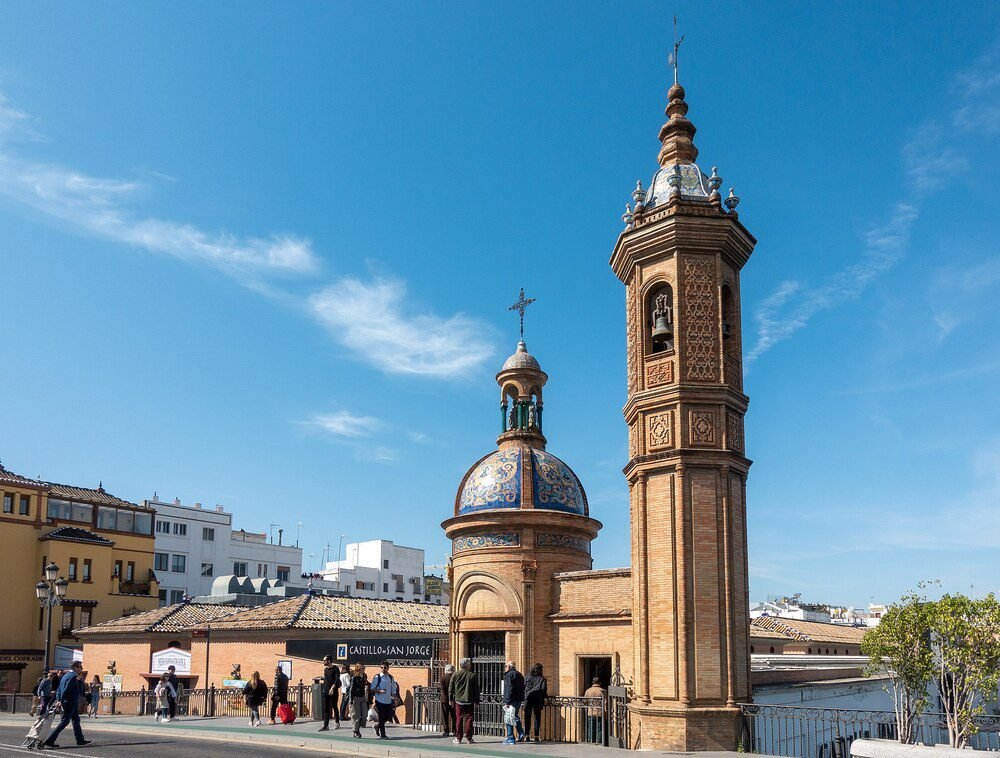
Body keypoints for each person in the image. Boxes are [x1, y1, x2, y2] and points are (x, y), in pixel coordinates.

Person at [43, 660, 91, 748]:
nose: (82, 668)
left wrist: (58, 699)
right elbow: (66, 689)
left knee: (76, 720)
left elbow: (59, 689)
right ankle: (50, 740)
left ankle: (80, 739)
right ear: (75, 667)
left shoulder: (66, 676)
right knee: (65, 721)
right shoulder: (72, 677)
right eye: (80, 667)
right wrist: (60, 700)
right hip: (70, 702)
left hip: (70, 702)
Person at [448, 657, 480, 745]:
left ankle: (458, 738)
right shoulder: (472, 675)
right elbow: (476, 689)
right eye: (469, 664)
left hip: (458, 700)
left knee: (459, 719)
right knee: (469, 719)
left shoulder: (455, 674)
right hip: (469, 700)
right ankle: (469, 738)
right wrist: (477, 701)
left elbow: (451, 688)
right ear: (467, 665)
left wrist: (450, 699)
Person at [369, 661, 397, 740]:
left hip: (388, 700)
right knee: (382, 717)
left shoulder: (390, 677)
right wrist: (379, 691)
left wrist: (395, 698)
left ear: (388, 668)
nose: (383, 669)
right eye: (382, 667)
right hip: (380, 700)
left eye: (385, 667)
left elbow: (393, 690)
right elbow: (372, 689)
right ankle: (383, 735)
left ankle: (377, 726)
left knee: (389, 716)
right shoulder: (377, 677)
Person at [501, 660, 526, 744]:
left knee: (509, 717)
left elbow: (509, 689)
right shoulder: (519, 674)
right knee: (514, 716)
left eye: (505, 666)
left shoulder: (509, 675)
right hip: (518, 699)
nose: (505, 668)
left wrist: (507, 701)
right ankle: (521, 733)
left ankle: (510, 737)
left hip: (511, 700)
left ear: (509, 666)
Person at [523, 663, 547, 742]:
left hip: (528, 699)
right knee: (537, 718)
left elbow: (523, 687)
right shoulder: (542, 678)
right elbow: (543, 689)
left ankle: (527, 735)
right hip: (537, 700)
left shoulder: (527, 677)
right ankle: (536, 736)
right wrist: (545, 696)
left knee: (527, 718)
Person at [318, 655, 341, 731]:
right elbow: (326, 680)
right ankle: (325, 725)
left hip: (333, 691)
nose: (323, 662)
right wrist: (325, 689)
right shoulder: (325, 670)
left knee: (334, 706)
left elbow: (337, 679)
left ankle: (337, 722)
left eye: (324, 660)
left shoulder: (335, 669)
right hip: (325, 691)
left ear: (329, 661)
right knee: (326, 708)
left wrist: (332, 688)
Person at [348, 663, 369, 738]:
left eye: (364, 668)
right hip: (355, 697)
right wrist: (350, 700)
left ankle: (361, 725)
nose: (363, 669)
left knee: (365, 713)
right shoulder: (354, 677)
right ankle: (356, 731)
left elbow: (366, 684)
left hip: (362, 697)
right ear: (358, 669)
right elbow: (351, 689)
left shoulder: (364, 676)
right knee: (356, 715)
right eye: (362, 668)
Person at [583, 676, 606, 743]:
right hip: (599, 712)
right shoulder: (602, 691)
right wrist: (605, 712)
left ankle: (590, 741)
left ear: (593, 682)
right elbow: (605, 702)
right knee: (599, 728)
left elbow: (585, 701)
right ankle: (599, 742)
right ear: (600, 683)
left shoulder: (588, 691)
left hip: (591, 711)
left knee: (591, 728)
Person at [439, 664, 455, 737]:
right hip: (454, 699)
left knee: (445, 716)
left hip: (445, 700)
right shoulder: (455, 678)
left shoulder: (442, 678)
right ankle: (455, 731)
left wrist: (448, 698)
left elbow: (443, 690)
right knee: (454, 716)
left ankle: (446, 731)